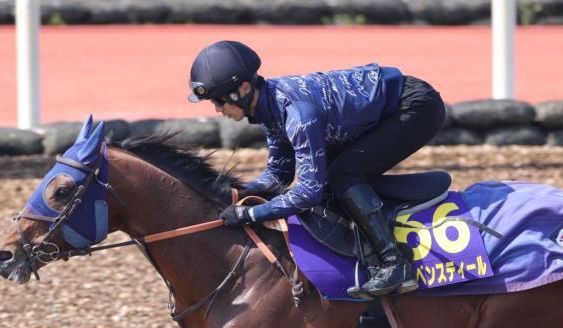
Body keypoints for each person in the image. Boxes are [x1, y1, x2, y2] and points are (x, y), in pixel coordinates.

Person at [187, 40, 446, 298]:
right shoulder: (267, 107)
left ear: (243, 88)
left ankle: (394, 263)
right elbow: (279, 174)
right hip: (384, 107)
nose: (218, 110)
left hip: (414, 108)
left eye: (219, 101)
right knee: (338, 174)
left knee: (343, 174)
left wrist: (252, 214)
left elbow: (308, 192)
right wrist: (235, 191)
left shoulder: (297, 114)